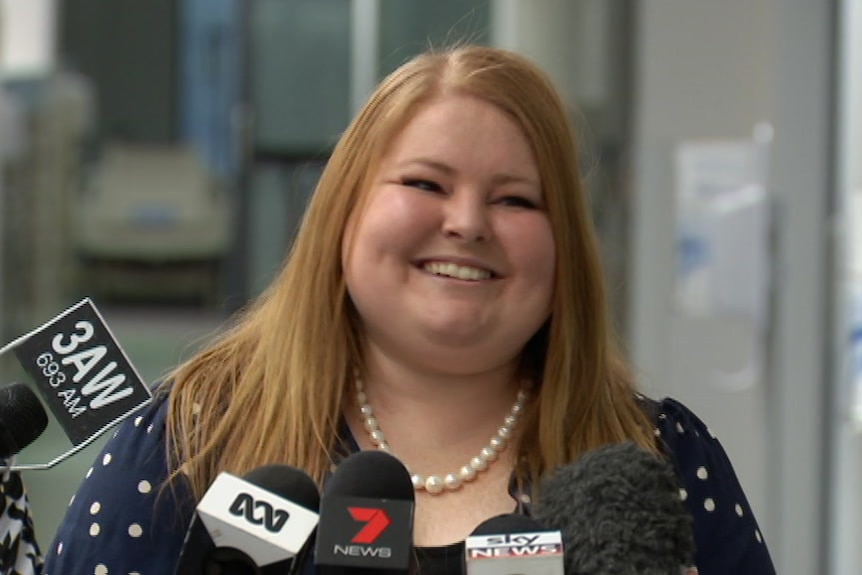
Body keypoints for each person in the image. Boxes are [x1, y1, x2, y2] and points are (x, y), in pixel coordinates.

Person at [42, 44, 776, 575]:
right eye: (426, 183)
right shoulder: (190, 438)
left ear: (565, 251)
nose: (467, 222)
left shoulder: (664, 459)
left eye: (516, 198)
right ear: (343, 214)